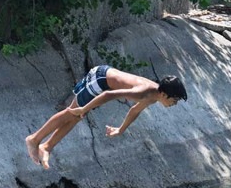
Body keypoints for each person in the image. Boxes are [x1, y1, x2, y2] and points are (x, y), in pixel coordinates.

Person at [25, 65, 187, 169]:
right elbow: (110, 95)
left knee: (76, 115)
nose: (174, 104)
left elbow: (135, 110)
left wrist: (121, 129)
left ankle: (46, 147)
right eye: (174, 100)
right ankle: (34, 139)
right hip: (100, 78)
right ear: (164, 94)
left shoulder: (153, 96)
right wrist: (85, 108)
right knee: (73, 112)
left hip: (104, 78)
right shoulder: (143, 92)